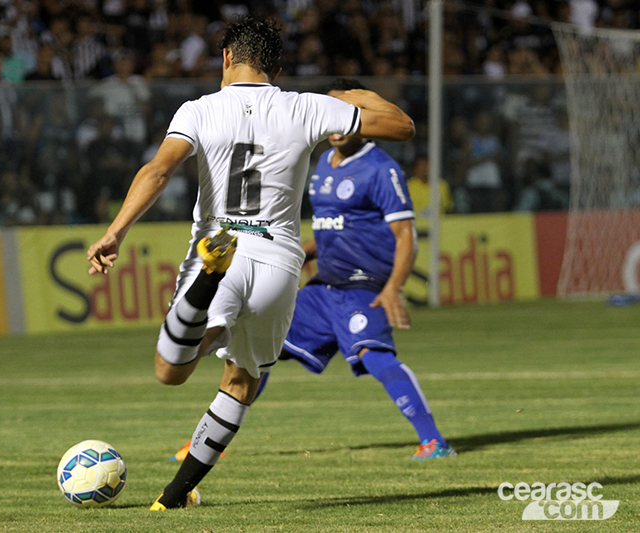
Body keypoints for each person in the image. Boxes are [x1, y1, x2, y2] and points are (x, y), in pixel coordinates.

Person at [87, 18, 414, 510]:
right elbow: (402, 126)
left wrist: (116, 230)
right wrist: (353, 93)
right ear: (277, 69)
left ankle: (203, 293)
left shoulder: (199, 110)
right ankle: (174, 497)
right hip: (280, 263)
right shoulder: (306, 107)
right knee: (242, 380)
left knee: (169, 372)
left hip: (221, 243)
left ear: (224, 57)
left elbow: (159, 170)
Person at [173, 79, 455, 463]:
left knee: (374, 355)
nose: (336, 126)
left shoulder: (380, 169)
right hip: (322, 289)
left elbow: (405, 234)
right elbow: (333, 229)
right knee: (254, 352)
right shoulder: (323, 163)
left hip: (362, 286)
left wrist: (392, 288)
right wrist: (300, 253)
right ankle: (210, 443)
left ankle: (434, 441)